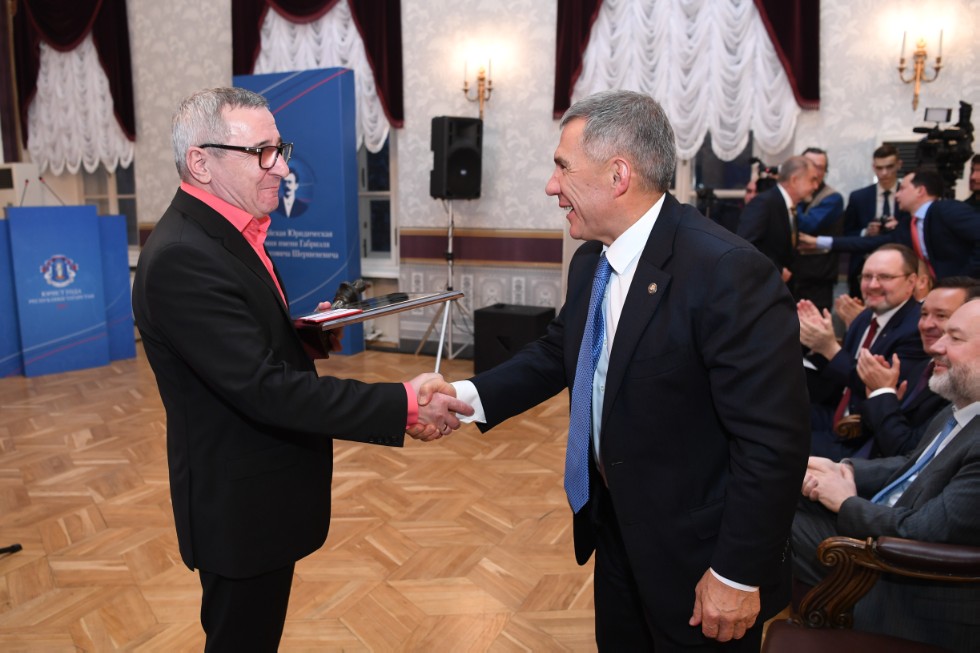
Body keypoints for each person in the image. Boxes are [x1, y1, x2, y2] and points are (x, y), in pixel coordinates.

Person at [421, 90, 810, 650]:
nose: (552, 186)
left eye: (562, 167)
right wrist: (464, 397)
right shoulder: (592, 260)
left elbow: (773, 442)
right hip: (618, 527)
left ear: (617, 174)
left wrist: (737, 572)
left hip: (700, 557)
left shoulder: (726, 272)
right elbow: (561, 351)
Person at [131, 87, 471, 652]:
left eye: (280, 148)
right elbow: (263, 390)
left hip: (264, 494)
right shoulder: (183, 256)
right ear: (200, 162)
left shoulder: (231, 233)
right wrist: (404, 403)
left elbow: (237, 350)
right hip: (239, 511)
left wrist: (303, 338)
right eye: (262, 152)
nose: (282, 166)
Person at [792, 298, 980, 652]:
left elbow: (920, 533)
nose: (936, 345)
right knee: (772, 488)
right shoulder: (964, 408)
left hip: (903, 583)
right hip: (881, 530)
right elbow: (912, 464)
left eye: (954, 338)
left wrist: (844, 500)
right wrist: (844, 469)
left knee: (765, 515)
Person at [799, 244, 929, 461]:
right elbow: (840, 372)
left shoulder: (916, 327)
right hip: (836, 414)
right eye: (867, 276)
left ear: (911, 281)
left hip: (863, 436)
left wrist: (830, 348)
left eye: (885, 277)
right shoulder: (866, 316)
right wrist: (814, 342)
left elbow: (876, 386)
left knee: (777, 443)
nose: (872, 285)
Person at [855, 277, 979, 457]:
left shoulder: (962, 382)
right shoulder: (923, 365)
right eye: (923, 314)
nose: (926, 325)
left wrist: (882, 394)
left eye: (941, 316)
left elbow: (909, 454)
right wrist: (888, 401)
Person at [800, 168, 980, 279]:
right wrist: (819, 242)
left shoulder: (947, 210)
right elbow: (872, 243)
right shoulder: (910, 224)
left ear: (920, 191)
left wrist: (965, 278)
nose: (897, 195)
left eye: (902, 188)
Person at [737, 155, 820, 287]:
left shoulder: (790, 207)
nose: (816, 186)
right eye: (812, 180)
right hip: (760, 288)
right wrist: (777, 269)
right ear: (794, 180)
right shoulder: (764, 203)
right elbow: (744, 244)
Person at [841, 144, 908, 297]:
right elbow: (847, 233)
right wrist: (866, 231)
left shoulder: (908, 195)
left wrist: (899, 226)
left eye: (889, 167)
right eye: (879, 168)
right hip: (864, 264)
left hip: (901, 266)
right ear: (873, 167)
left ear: (899, 164)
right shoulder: (859, 197)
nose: (884, 173)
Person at [791, 147, 844, 312]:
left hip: (818, 279)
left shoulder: (832, 198)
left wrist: (793, 201)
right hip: (792, 276)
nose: (815, 171)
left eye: (820, 167)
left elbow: (808, 225)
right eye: (809, 164)